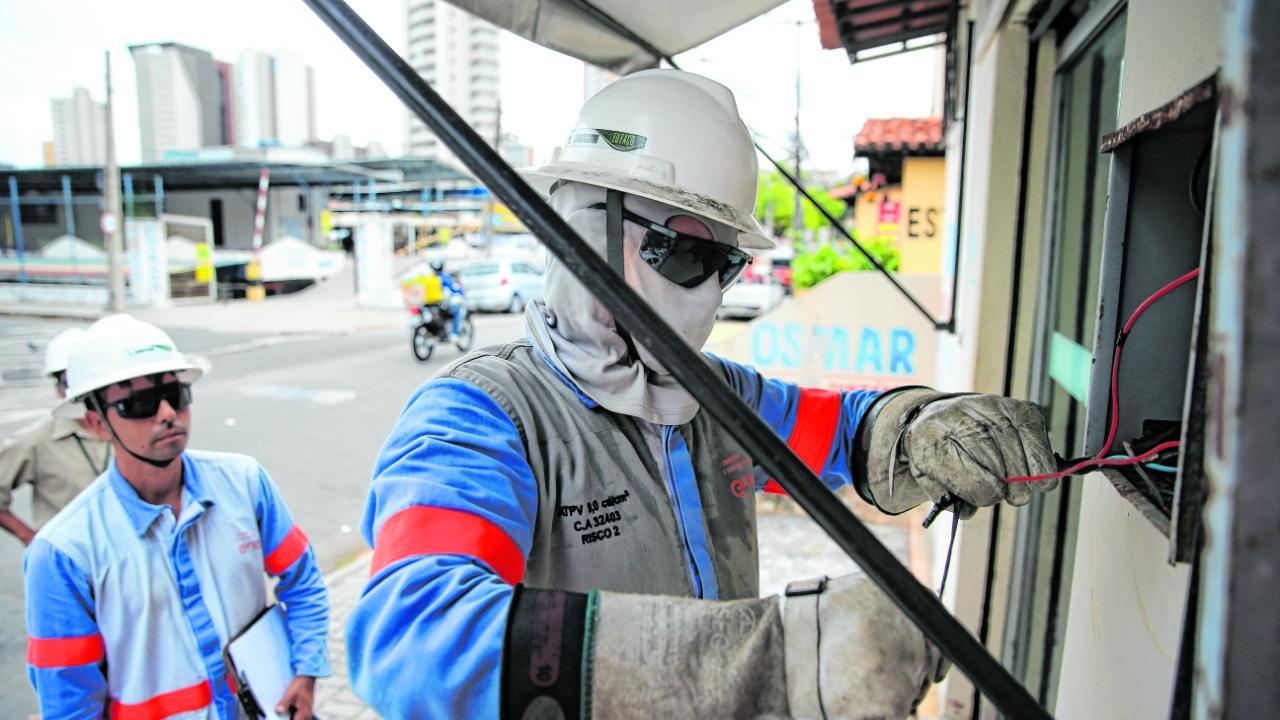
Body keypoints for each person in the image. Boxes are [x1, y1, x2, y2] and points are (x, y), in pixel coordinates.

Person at [347, 70, 1059, 718]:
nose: (714, 293)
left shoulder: (713, 397)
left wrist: (916, 427)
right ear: (593, 233)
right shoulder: (482, 417)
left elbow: (840, 430)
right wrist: (769, 662)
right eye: (693, 255)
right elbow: (416, 637)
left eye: (729, 267)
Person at [24, 314, 330, 719]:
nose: (167, 413)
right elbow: (69, 703)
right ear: (97, 423)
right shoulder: (64, 552)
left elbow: (303, 582)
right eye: (139, 404)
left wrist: (305, 670)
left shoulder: (244, 482)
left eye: (176, 393)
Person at [0, 328, 110, 546]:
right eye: (69, 379)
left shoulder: (130, 425)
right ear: (59, 388)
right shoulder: (37, 439)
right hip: (69, 561)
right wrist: (31, 539)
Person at [430, 258, 466, 335]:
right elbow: (453, 287)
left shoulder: (429, 278)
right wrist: (461, 291)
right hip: (441, 303)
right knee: (456, 311)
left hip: (430, 303)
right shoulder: (444, 277)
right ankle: (455, 333)